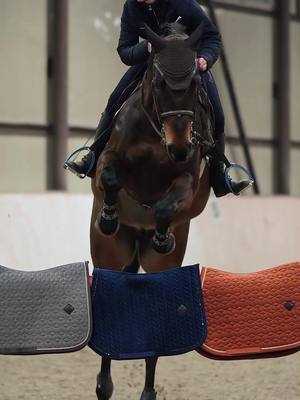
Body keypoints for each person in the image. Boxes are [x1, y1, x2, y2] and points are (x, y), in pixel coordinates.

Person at [65, 0, 252, 197]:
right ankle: (92, 156)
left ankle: (219, 174)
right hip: (153, 65)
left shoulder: (184, 4)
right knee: (114, 100)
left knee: (218, 114)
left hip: (187, 66)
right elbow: (125, 50)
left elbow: (212, 37)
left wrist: (206, 58)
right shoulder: (131, 7)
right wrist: (146, 47)